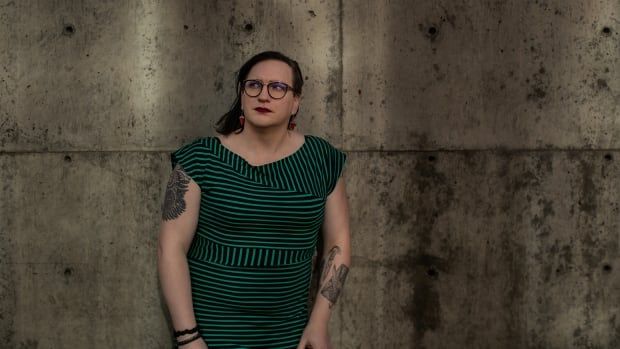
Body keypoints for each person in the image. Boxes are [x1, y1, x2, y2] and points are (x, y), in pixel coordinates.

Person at [157, 51, 351, 349]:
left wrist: (320, 322)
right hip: (212, 335)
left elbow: (337, 243)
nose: (264, 95)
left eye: (277, 87)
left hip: (292, 335)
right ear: (242, 93)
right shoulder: (199, 159)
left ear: (296, 101)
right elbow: (170, 248)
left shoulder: (322, 160)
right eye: (254, 85)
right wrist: (188, 338)